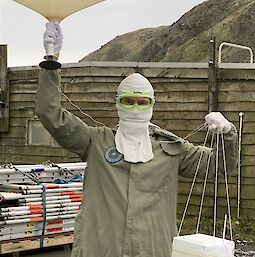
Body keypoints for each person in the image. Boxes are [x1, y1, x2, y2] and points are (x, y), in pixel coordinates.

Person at [36, 22, 238, 257]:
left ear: (152, 105)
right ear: (117, 103)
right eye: (128, 101)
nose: (135, 108)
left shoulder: (171, 148)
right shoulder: (95, 142)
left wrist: (227, 132)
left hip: (152, 250)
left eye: (142, 103)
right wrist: (51, 61)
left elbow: (218, 166)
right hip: (101, 249)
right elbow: (50, 115)